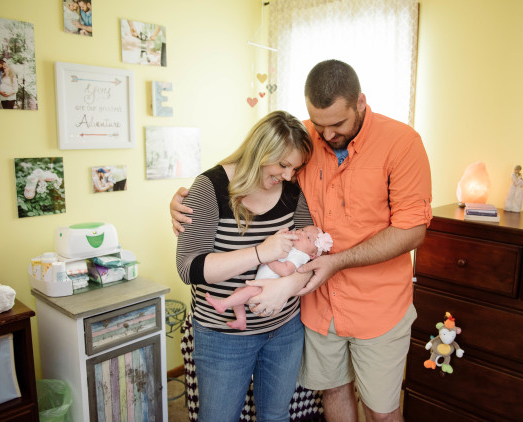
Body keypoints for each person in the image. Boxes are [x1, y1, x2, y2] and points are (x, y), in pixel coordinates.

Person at [171, 60, 432, 422]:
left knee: (381, 410)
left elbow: (412, 230)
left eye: (336, 124)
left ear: (360, 102)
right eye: (318, 124)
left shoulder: (401, 143)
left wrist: (312, 273)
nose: (325, 135)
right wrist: (191, 198)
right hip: (317, 308)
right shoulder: (304, 140)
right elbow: (248, 164)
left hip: (374, 306)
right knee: (334, 393)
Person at [176, 110, 314, 422]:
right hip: (223, 335)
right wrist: (260, 252)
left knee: (276, 416)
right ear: (260, 151)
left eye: (295, 167)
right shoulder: (210, 188)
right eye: (282, 164)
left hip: (285, 328)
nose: (289, 175)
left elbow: (311, 252)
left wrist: (286, 286)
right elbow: (189, 267)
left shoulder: (292, 191)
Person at [206, 225, 332, 330]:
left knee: (248, 291)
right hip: (263, 290)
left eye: (308, 238)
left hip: (269, 296)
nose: (301, 234)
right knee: (238, 292)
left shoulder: (300, 255)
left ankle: (223, 304)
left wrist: (269, 259)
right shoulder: (293, 248)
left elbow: (286, 270)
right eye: (303, 230)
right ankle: (241, 320)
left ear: (312, 255)